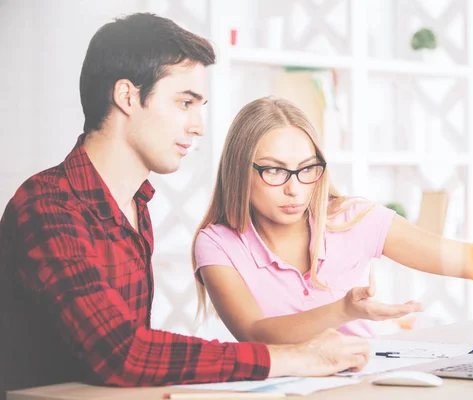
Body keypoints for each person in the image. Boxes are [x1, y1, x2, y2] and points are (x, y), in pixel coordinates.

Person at [0, 13, 370, 398]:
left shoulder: (135, 207)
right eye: (185, 103)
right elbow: (122, 352)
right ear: (127, 96)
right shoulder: (47, 207)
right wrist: (296, 358)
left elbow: (135, 359)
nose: (198, 126)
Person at [193, 96, 473, 345]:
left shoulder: (352, 219)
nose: (295, 188)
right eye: (274, 171)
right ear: (238, 170)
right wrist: (344, 310)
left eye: (307, 168)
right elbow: (256, 334)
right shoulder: (218, 244)